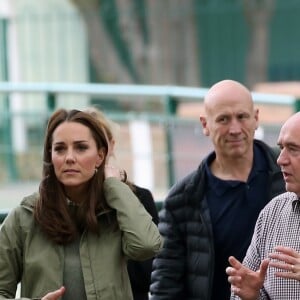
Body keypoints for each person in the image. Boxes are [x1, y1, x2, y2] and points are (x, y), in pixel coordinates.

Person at [0, 109, 163, 300]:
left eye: (81, 148)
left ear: (100, 156)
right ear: (50, 157)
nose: (69, 157)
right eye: (60, 149)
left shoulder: (117, 211)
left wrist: (113, 186)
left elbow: (147, 246)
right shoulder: (24, 218)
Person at [150, 79, 286, 300]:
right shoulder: (183, 198)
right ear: (205, 124)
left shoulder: (288, 174)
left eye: (241, 117)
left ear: (256, 118)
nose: (234, 129)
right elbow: (166, 283)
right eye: (223, 119)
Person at [85, 107, 159, 300]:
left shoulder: (140, 198)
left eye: (99, 142)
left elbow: (146, 274)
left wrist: (117, 192)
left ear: (111, 145)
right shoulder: (64, 203)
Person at [226, 111, 300, 299]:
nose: (280, 159)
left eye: (293, 149)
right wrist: (251, 296)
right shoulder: (272, 212)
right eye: (281, 148)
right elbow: (243, 291)